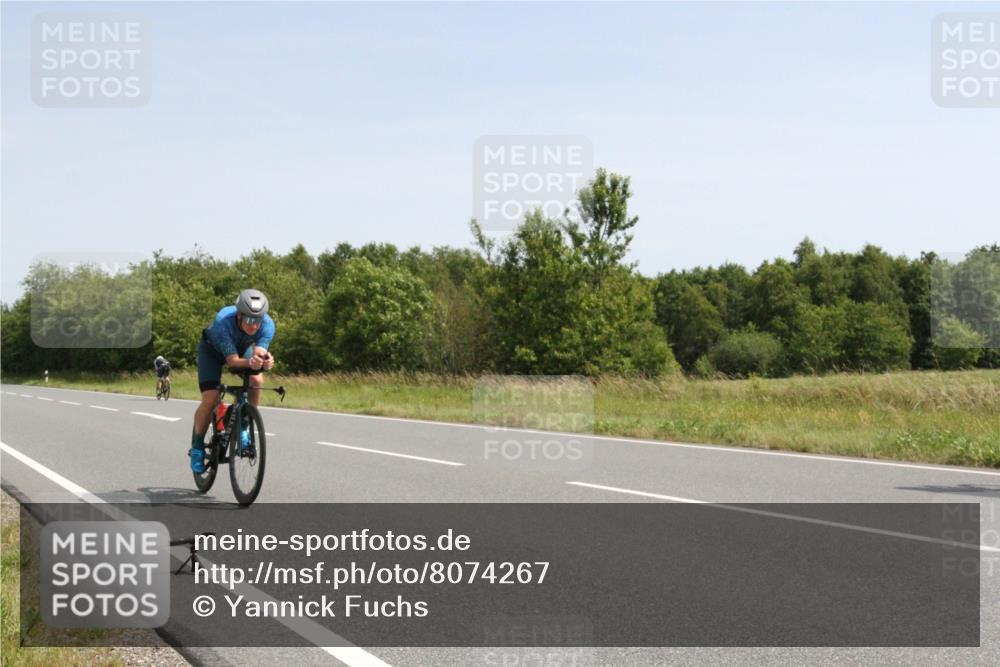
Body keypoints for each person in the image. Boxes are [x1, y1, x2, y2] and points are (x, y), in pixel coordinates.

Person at [189, 289, 275, 473]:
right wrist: (252, 361)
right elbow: (233, 362)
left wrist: (266, 360)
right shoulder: (223, 322)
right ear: (239, 315)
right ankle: (197, 447)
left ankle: (244, 424)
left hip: (240, 349)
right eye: (250, 320)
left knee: (257, 380)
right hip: (212, 352)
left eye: (258, 320)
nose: (254, 326)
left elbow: (259, 351)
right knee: (211, 398)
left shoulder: (267, 324)